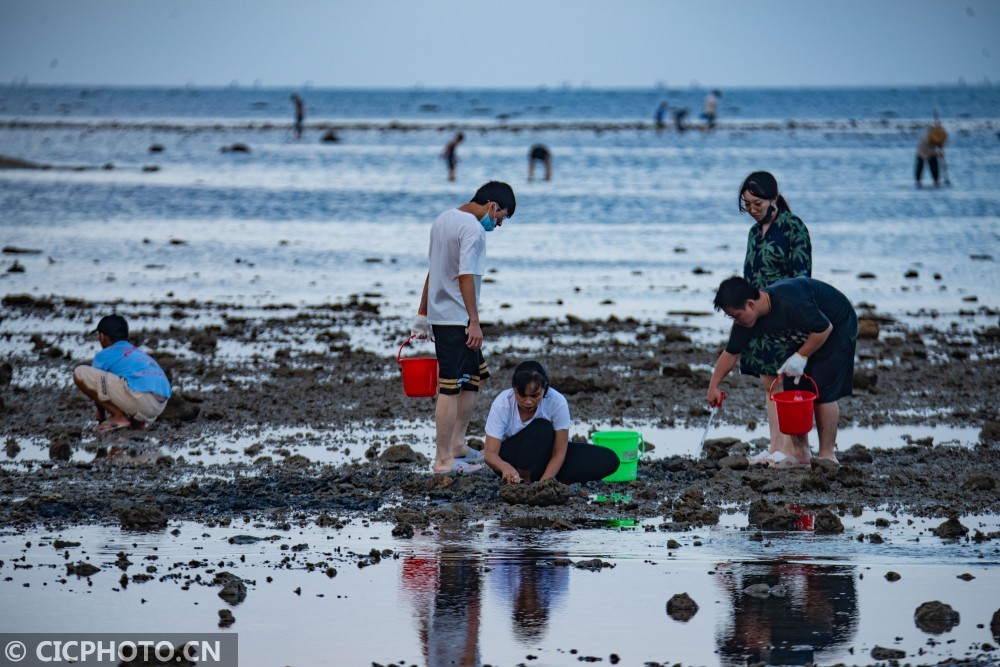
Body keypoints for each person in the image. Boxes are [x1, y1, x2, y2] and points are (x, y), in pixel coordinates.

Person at [413, 181, 516, 474]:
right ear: (492, 206)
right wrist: (474, 321)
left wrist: (423, 313)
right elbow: (465, 276)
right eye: (501, 218)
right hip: (455, 319)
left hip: (444, 315)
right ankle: (443, 459)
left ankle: (458, 444)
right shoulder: (472, 229)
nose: (498, 225)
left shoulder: (443, 219)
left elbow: (434, 269)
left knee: (476, 377)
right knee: (449, 386)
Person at [706, 276, 858, 466]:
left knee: (823, 390)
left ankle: (827, 454)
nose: (735, 321)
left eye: (736, 315)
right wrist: (714, 385)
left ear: (750, 305)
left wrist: (800, 357)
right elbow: (730, 353)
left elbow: (824, 328)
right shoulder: (746, 321)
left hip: (837, 327)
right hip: (804, 334)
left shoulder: (791, 300)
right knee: (794, 391)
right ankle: (801, 453)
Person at [737, 171, 813, 462]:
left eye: (757, 204)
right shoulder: (754, 233)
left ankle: (789, 449)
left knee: (784, 384)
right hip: (758, 317)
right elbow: (749, 275)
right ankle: (774, 447)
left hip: (786, 318)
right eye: (747, 205)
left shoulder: (793, 227)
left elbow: (802, 278)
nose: (753, 211)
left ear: (773, 198)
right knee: (768, 383)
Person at [483, 360, 620, 484]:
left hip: (546, 460)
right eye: (522, 395)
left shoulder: (557, 402)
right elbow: (490, 453)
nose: (528, 401)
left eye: (535, 395)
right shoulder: (502, 403)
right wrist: (505, 467)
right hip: (512, 461)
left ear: (545, 388)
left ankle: (549, 479)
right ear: (514, 390)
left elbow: (559, 453)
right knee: (542, 428)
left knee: (609, 460)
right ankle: (524, 480)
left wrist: (544, 485)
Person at [73, 315, 171, 432]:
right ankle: (138, 423)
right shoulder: (138, 352)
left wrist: (101, 414)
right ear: (127, 338)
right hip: (161, 404)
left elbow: (98, 384)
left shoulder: (104, 355)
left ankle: (118, 416)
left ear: (102, 337)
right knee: (127, 381)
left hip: (141, 400)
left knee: (79, 373)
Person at [915, 123, 948, 188]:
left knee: (934, 167)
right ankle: (918, 181)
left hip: (931, 154)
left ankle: (936, 181)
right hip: (922, 153)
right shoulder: (926, 139)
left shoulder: (936, 136)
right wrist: (939, 154)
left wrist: (940, 145)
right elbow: (928, 152)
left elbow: (940, 142)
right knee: (920, 167)